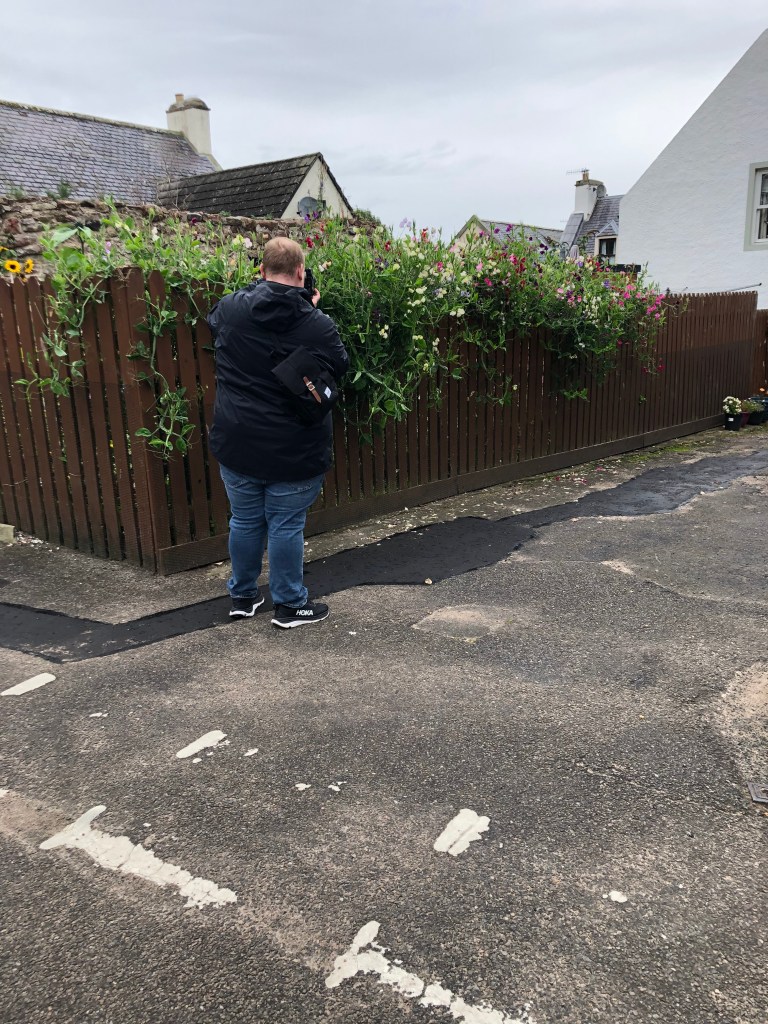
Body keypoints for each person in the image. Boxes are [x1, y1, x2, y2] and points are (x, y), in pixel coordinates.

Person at [207, 237, 348, 628]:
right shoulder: (316, 324)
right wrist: (308, 309)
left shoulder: (231, 308)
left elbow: (214, 321)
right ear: (301, 272)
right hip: (294, 447)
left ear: (261, 271)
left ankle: (242, 597)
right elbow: (340, 365)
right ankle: (289, 605)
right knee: (286, 525)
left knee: (244, 520)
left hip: (238, 442)